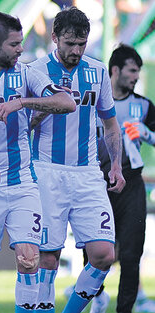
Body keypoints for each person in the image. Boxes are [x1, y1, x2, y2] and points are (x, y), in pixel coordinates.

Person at [0, 11, 75, 313]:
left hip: (23, 182)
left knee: (29, 257)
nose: (21, 49)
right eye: (14, 44)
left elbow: (66, 102)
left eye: (21, 43)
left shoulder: (25, 75)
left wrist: (22, 102)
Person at [29, 7, 126, 313]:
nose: (75, 50)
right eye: (69, 43)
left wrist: (115, 164)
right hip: (46, 170)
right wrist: (52, 103)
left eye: (81, 44)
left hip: (86, 173)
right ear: (54, 38)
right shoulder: (36, 71)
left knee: (103, 254)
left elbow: (110, 123)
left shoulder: (97, 72)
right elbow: (25, 124)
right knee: (48, 256)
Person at [93, 44, 155, 313]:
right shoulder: (92, 102)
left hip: (130, 184)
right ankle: (97, 297)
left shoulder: (143, 106)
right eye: (132, 70)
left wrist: (146, 133)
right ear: (115, 70)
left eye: (139, 71)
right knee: (95, 253)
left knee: (131, 256)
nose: (136, 76)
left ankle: (124, 310)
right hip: (95, 182)